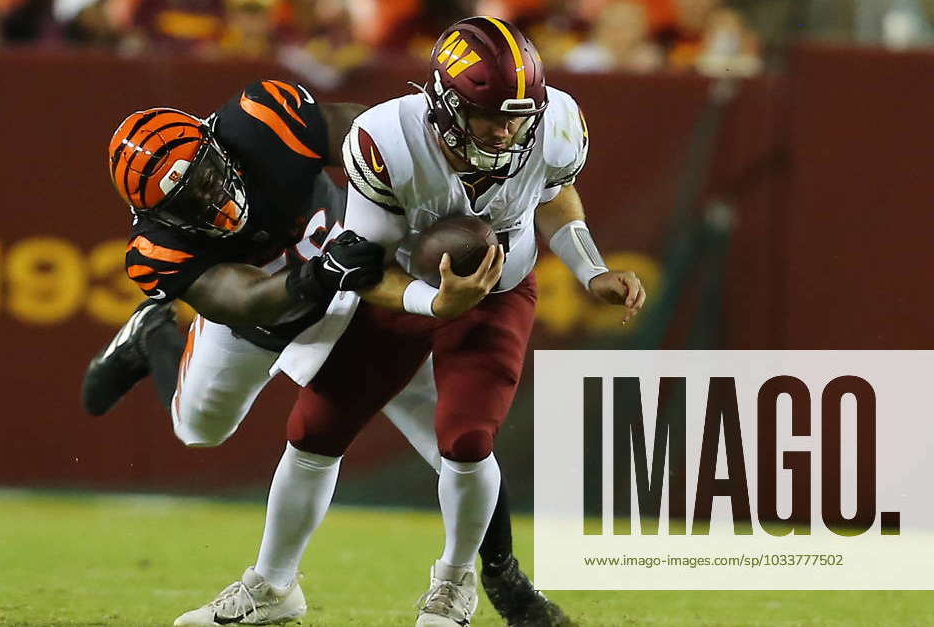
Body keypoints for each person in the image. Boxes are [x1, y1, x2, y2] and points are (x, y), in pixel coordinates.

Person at [83, 77, 571, 626]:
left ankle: (504, 581)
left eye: (204, 178)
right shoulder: (155, 250)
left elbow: (374, 139)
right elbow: (244, 299)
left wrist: (416, 184)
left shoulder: (262, 120)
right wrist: (316, 274)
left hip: (356, 286)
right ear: (157, 217)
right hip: (260, 318)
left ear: (215, 143)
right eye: (185, 203)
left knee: (455, 441)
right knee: (199, 428)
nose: (209, 199)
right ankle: (155, 334)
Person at [247, 16, 646, 627]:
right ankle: (271, 589)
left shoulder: (556, 123)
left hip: (499, 287)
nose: (509, 129)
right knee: (313, 429)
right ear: (443, 101)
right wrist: (431, 303)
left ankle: (454, 582)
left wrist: (591, 269)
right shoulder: (386, 138)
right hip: (403, 288)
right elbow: (363, 266)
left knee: (467, 440)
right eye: (492, 115)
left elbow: (554, 191)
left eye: (520, 115)